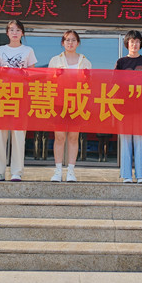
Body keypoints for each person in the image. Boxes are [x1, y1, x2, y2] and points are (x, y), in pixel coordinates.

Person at [0, 20, 37, 182]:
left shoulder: (28, 50)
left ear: (22, 33)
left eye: (18, 30)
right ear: (7, 33)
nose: (15, 33)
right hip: (2, 95)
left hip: (20, 96)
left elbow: (32, 74)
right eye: (11, 30)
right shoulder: (0, 50)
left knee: (18, 134)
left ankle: (17, 171)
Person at [48, 30, 92, 182]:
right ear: (63, 43)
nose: (70, 43)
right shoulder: (55, 60)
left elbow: (90, 85)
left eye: (73, 40)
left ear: (78, 43)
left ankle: (71, 171)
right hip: (59, 103)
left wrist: (86, 79)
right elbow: (48, 82)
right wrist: (55, 76)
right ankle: (58, 170)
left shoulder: (85, 62)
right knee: (59, 137)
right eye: (67, 40)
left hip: (77, 103)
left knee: (73, 137)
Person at [115, 30, 142, 184]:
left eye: (137, 41)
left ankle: (140, 175)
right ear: (127, 44)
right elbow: (114, 84)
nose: (134, 44)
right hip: (124, 108)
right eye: (132, 41)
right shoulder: (121, 62)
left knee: (140, 141)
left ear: (141, 44)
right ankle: (126, 175)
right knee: (125, 141)